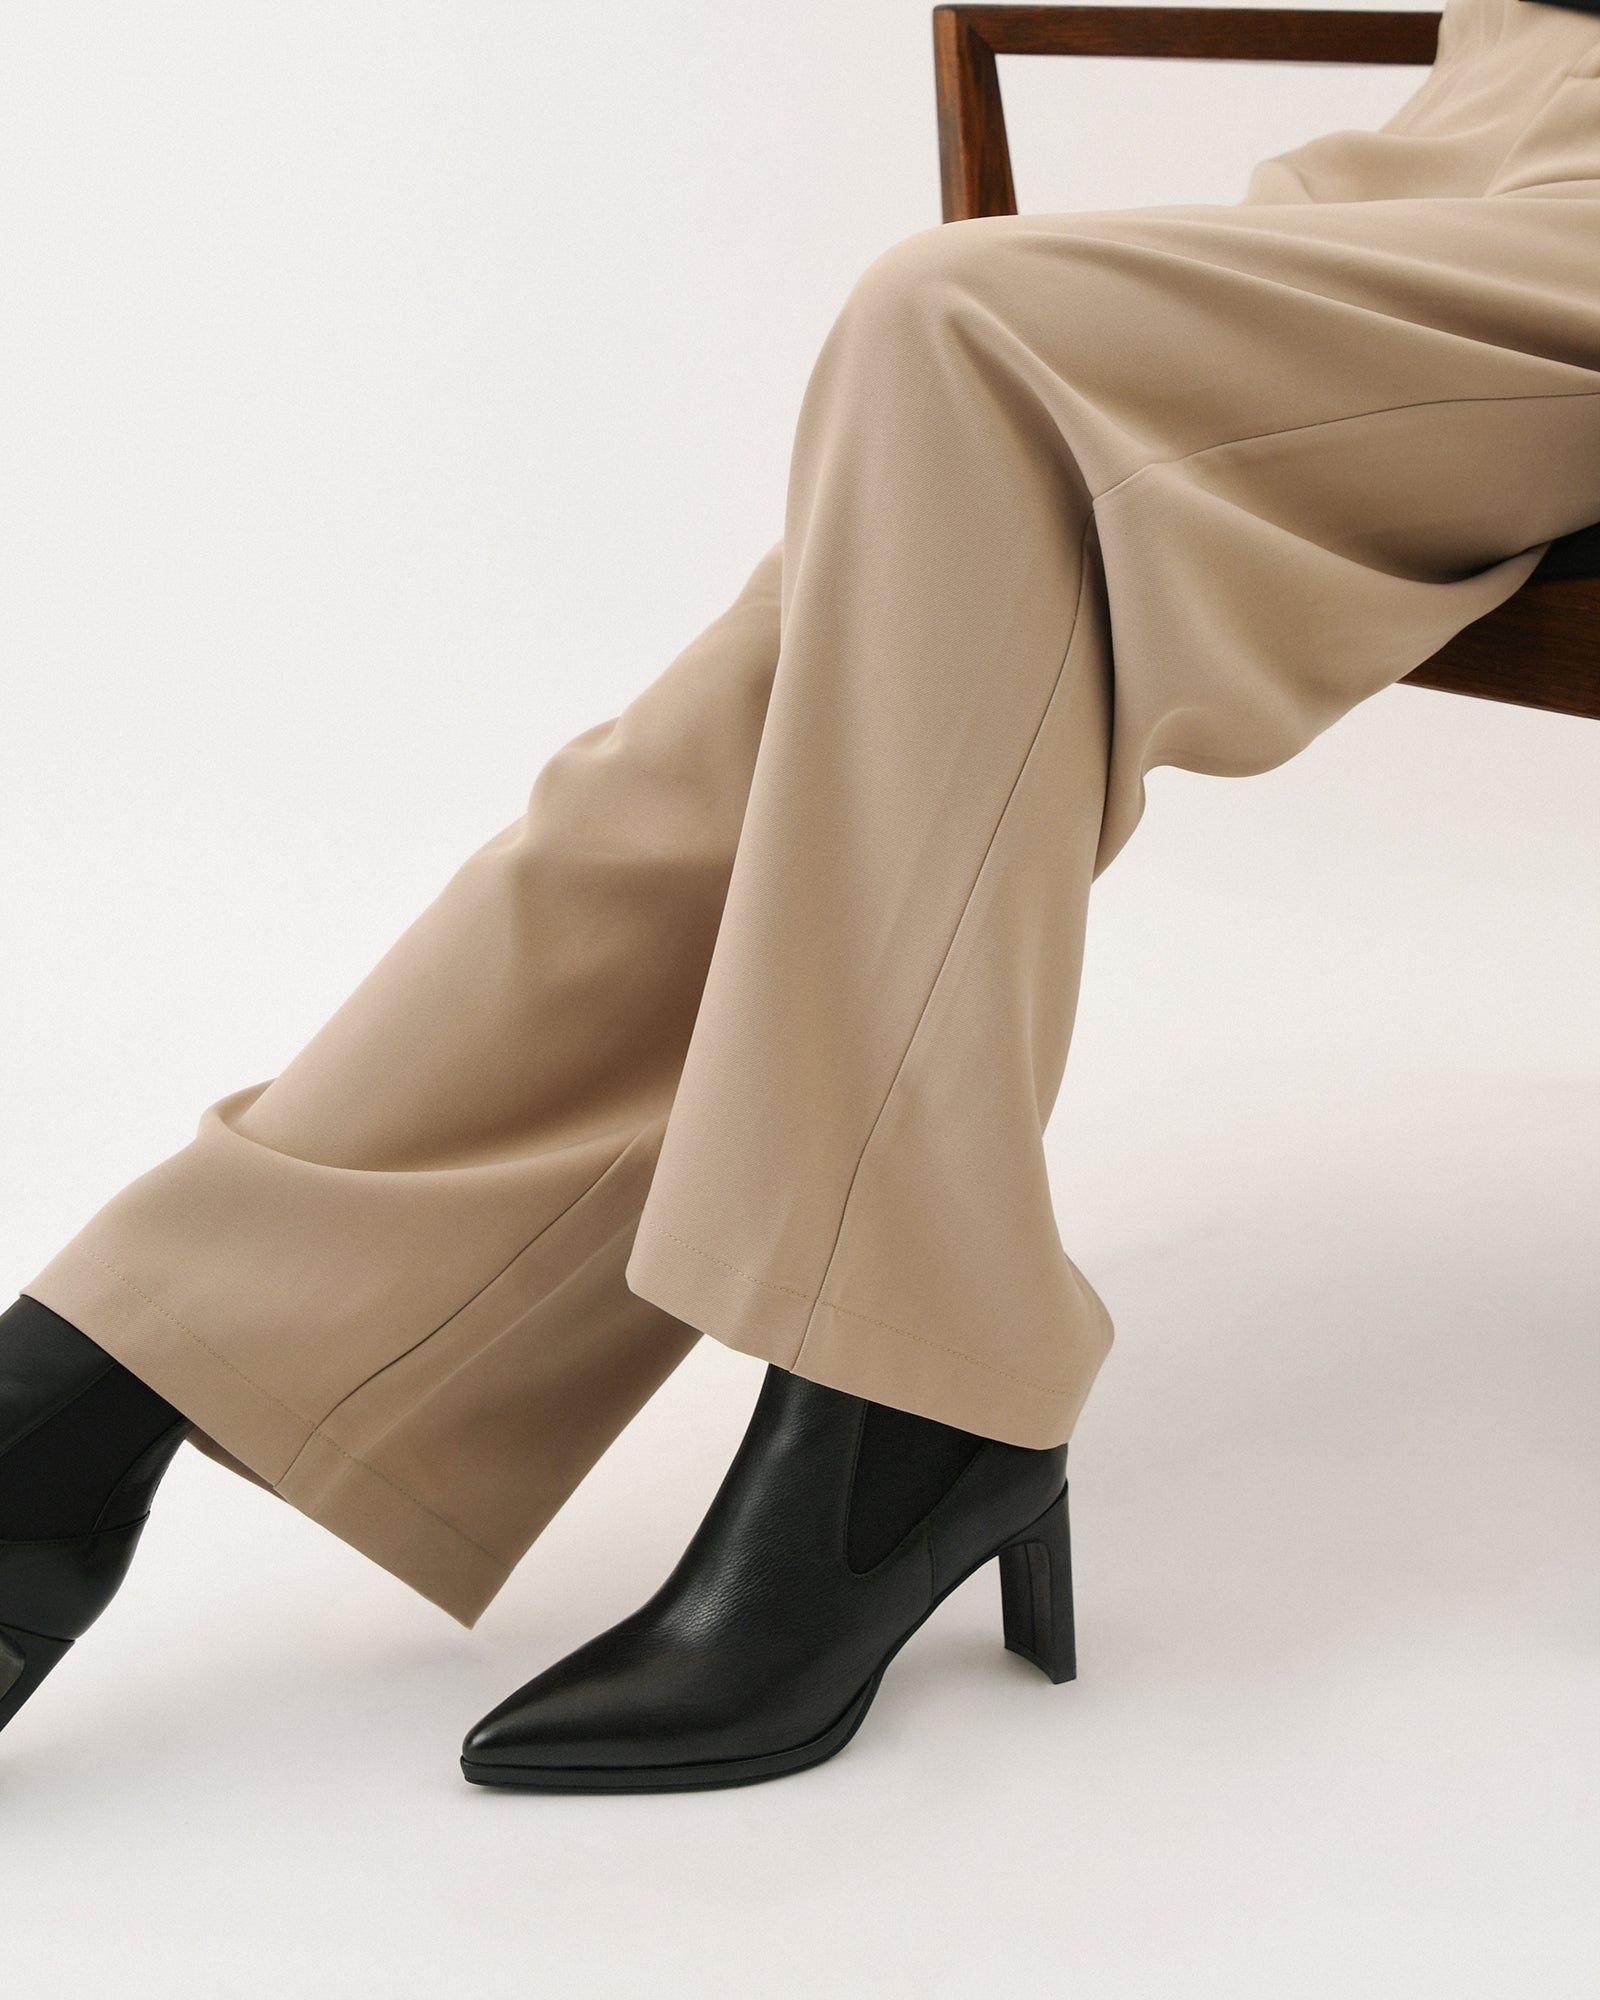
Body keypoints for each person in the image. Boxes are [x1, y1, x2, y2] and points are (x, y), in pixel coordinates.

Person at [4, 0, 1598, 1793]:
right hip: (1466, 124)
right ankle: (94, 1393)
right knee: (806, 684)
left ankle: (102, 1403)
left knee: (960, 327)